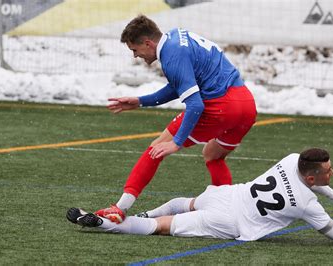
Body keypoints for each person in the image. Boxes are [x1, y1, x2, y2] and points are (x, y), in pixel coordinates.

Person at [95, 14, 258, 223]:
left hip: (221, 107)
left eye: (135, 50)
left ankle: (119, 208)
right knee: (213, 155)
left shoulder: (172, 56)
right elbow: (179, 85)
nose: (136, 56)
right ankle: (223, 208)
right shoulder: (176, 38)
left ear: (148, 43)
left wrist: (177, 142)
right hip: (246, 105)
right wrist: (140, 101)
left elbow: (195, 104)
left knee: (156, 148)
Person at [67, 148, 333, 247]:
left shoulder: (290, 158)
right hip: (230, 221)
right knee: (160, 227)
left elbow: (311, 181)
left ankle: (120, 214)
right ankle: (106, 225)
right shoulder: (307, 205)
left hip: (226, 196)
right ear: (313, 176)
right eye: (329, 172)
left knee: (179, 202)